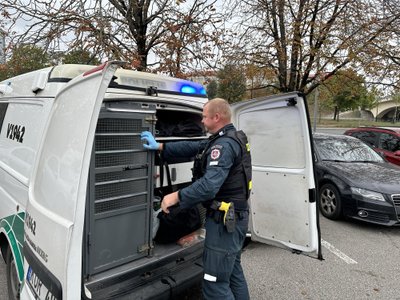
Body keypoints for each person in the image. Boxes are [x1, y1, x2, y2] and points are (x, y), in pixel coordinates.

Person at [141, 98, 252, 300]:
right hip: (235, 219)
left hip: (224, 223)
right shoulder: (228, 137)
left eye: (204, 116)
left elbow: (209, 187)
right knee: (233, 273)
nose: (201, 120)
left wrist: (176, 196)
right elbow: (193, 147)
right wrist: (160, 147)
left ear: (216, 117)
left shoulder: (224, 146)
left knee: (214, 283)